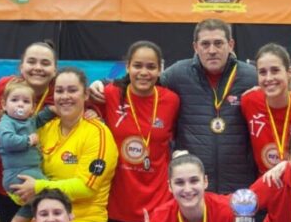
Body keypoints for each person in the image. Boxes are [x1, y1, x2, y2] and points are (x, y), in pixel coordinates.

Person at [90, 18, 258, 193]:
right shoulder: (178, 73)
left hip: (240, 185)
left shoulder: (251, 77)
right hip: (192, 187)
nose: (212, 50)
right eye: (205, 44)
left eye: (218, 43)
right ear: (195, 47)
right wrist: (102, 83)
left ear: (231, 44)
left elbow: (284, 90)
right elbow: (143, 80)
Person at [8, 67, 118, 222]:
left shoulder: (98, 134)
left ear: (85, 94)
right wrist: (17, 191)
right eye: (59, 91)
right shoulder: (44, 129)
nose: (65, 96)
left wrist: (38, 187)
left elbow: (85, 187)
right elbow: (22, 169)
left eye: (72, 90)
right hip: (42, 220)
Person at [96, 41, 180, 222]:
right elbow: (70, 100)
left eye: (151, 67)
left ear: (160, 69)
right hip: (116, 204)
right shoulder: (109, 94)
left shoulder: (171, 101)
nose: (144, 72)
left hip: (158, 204)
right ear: (127, 67)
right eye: (138, 66)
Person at [0, 41, 59, 222]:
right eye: (32, 62)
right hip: (11, 182)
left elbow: (82, 101)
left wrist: (93, 108)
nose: (38, 68)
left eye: (45, 63)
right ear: (22, 67)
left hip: (45, 175)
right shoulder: (5, 86)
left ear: (55, 69)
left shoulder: (59, 91)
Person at [240, 43, 291, 174]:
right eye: (262, 72)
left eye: (275, 70)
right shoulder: (248, 101)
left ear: (290, 72)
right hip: (266, 185)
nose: (269, 78)